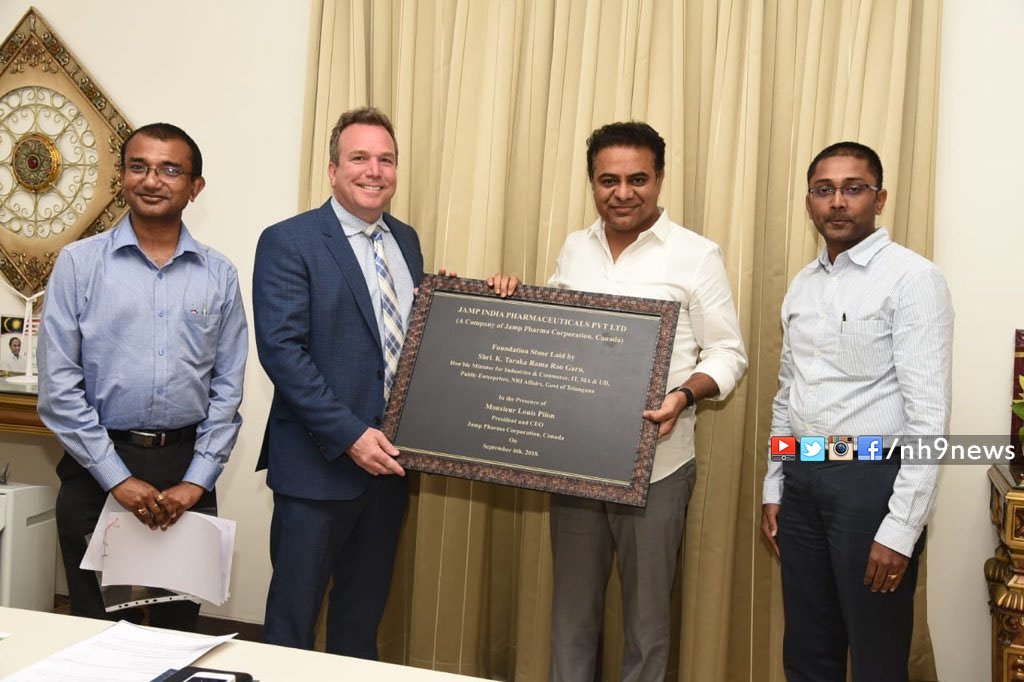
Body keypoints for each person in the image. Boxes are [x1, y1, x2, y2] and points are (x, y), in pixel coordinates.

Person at [494, 121, 747, 681]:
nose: (623, 193)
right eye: (609, 180)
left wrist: (683, 395)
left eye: (638, 179)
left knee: (647, 626)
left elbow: (728, 353)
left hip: (658, 468)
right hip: (576, 465)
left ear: (660, 179)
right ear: (592, 182)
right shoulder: (574, 248)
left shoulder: (696, 255)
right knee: (571, 618)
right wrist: (508, 302)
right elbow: (550, 332)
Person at [37, 123, 248, 630]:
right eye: (139, 166)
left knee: (177, 631)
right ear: (123, 177)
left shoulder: (218, 274)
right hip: (96, 468)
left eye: (170, 170)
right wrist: (118, 479)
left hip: (186, 471)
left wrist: (195, 482)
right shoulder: (79, 264)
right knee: (96, 628)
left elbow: (227, 388)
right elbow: (59, 387)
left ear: (195, 187)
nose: (152, 180)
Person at [760, 142, 953, 682]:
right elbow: (787, 392)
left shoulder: (913, 279)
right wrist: (776, 482)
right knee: (808, 651)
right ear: (809, 203)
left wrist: (902, 528)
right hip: (802, 482)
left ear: (880, 198)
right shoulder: (803, 284)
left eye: (854, 188)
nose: (838, 202)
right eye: (825, 190)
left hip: (872, 484)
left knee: (876, 658)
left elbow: (929, 416)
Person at [253, 107, 423, 659]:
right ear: (332, 170)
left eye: (386, 160)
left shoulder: (406, 240)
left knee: (360, 621)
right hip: (317, 469)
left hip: (389, 471)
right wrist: (351, 435)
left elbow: (411, 342)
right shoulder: (289, 240)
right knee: (292, 625)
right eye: (359, 158)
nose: (374, 171)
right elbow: (283, 353)